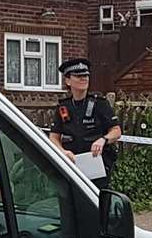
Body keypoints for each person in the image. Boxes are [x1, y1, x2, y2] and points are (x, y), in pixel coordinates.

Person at [48, 58, 121, 190]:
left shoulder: (100, 103)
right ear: (68, 80)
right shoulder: (63, 106)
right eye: (79, 76)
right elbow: (54, 137)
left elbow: (116, 131)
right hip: (72, 166)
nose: (84, 79)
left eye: (86, 75)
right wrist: (62, 151)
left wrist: (103, 140)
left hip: (96, 168)